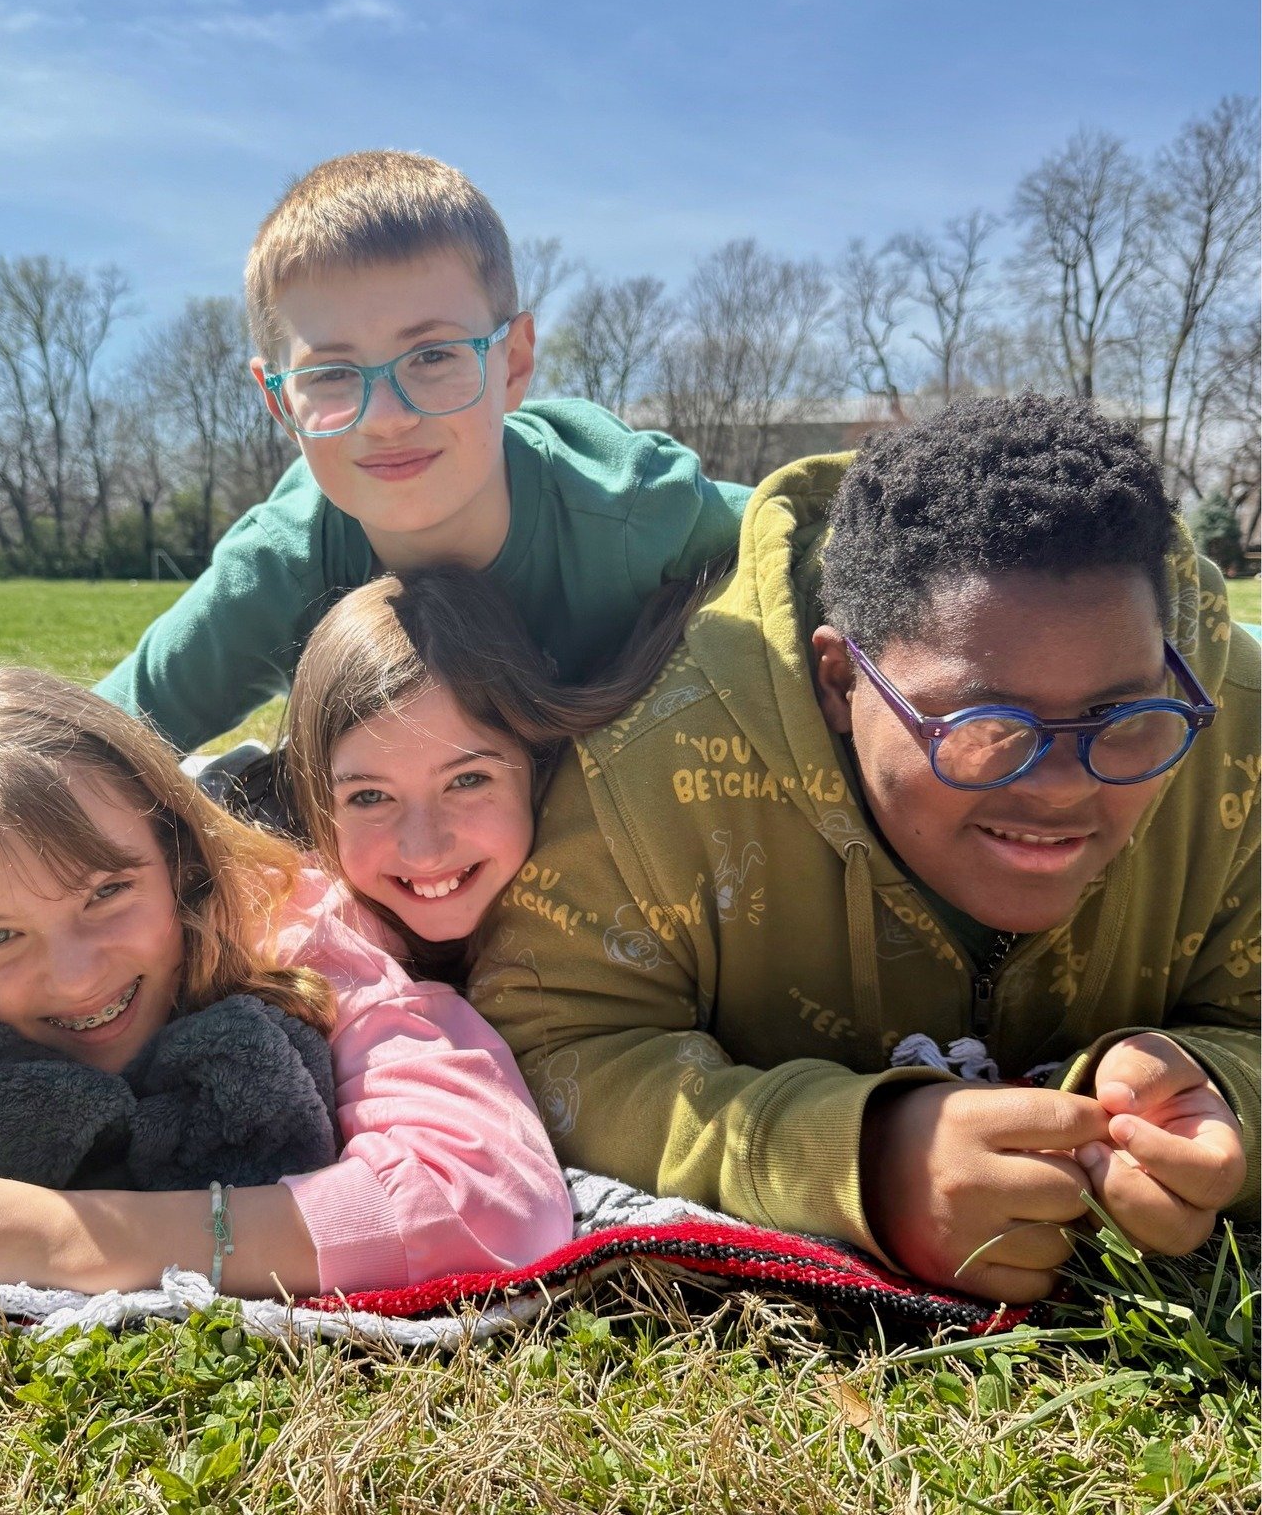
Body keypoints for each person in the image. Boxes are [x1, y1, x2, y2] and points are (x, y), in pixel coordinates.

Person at [470, 393, 1259, 1305]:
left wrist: (1222, 1098)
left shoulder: (1241, 730)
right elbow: (549, 1038)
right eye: (982, 722)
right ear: (840, 679)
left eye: (1124, 718)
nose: (1063, 786)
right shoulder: (652, 761)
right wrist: (860, 1159)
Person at [0, 668, 572, 1304]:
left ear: (180, 862)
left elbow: (493, 1202)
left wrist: (56, 1237)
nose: (77, 971)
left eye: (107, 893)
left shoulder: (296, 935)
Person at [95, 150, 752, 755]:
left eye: (434, 356)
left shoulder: (633, 507)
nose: (386, 418)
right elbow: (94, 745)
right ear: (281, 405)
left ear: (514, 363)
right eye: (330, 373)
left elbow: (821, 539)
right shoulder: (282, 565)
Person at [284, 565, 692, 981]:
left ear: (537, 760)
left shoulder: (622, 890)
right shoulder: (298, 939)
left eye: (466, 780)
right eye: (370, 796)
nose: (425, 851)